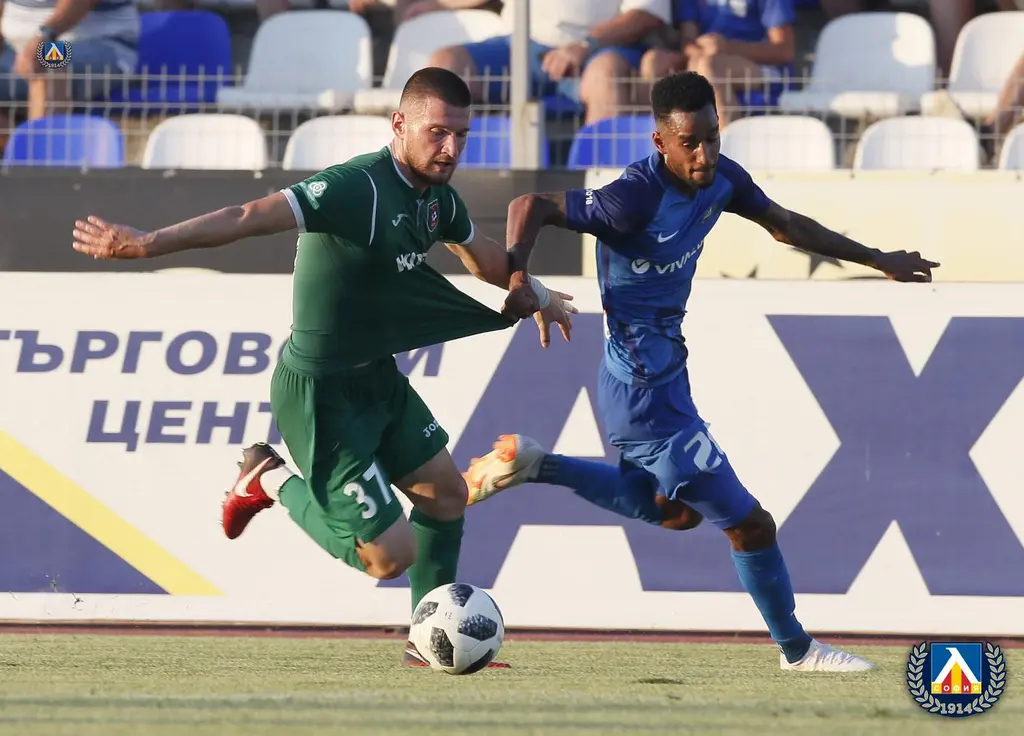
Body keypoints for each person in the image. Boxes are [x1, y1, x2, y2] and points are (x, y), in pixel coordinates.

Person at [70, 67, 576, 669]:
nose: (451, 148)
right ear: (400, 124)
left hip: (376, 379)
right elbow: (245, 215)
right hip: (320, 395)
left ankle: (426, 641)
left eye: (461, 135)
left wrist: (540, 293)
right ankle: (268, 479)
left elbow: (488, 260)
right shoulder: (356, 187)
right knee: (390, 557)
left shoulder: (437, 199)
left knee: (446, 496)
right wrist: (147, 243)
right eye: (438, 132)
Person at [462, 71, 940, 672]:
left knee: (675, 513)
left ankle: (538, 465)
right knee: (752, 526)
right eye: (690, 143)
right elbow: (527, 205)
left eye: (712, 137)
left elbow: (787, 225)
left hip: (655, 377)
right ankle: (798, 651)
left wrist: (876, 259)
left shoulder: (721, 178)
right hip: (644, 393)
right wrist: (519, 277)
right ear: (661, 142)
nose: (705, 154)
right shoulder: (633, 197)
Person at [640, 0, 797, 127]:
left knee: (709, 67)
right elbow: (688, 40)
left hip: (762, 67)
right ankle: (663, 148)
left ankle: (726, 150)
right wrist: (697, 51)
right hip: (703, 57)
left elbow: (784, 51)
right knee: (653, 62)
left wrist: (727, 47)